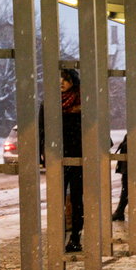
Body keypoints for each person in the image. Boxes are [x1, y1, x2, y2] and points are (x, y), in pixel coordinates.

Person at [39, 69, 84, 252]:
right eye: (59, 79)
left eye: (65, 79)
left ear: (73, 81)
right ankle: (58, 237)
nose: (61, 82)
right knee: (57, 197)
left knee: (76, 197)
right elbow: (42, 130)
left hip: (78, 155)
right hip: (56, 156)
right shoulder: (49, 103)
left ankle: (75, 238)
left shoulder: (82, 102)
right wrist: (41, 155)